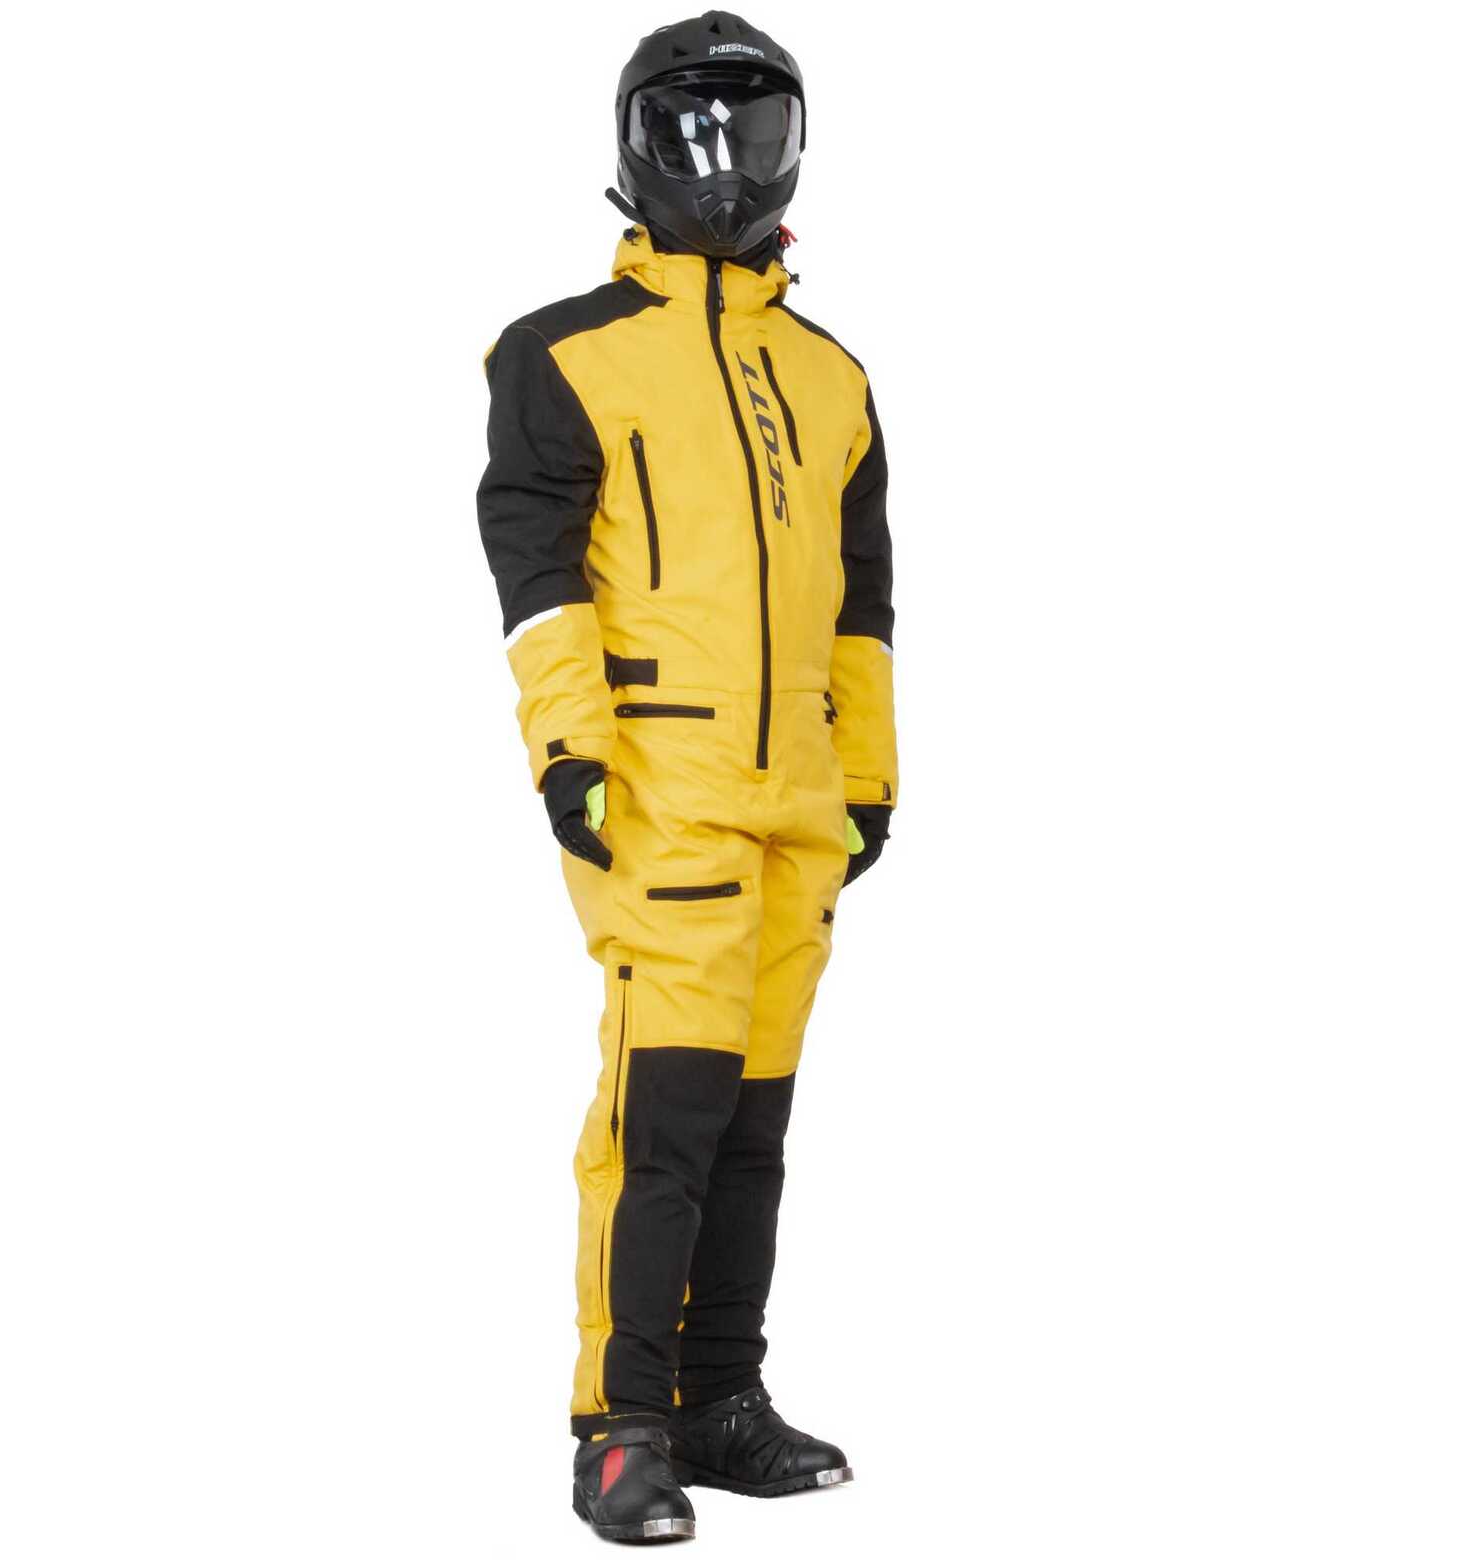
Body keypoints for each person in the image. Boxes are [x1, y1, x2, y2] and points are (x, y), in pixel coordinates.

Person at [476, 11, 897, 1543]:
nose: (728, 161)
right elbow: (537, 578)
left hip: (799, 807)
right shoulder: (565, 354)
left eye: (756, 127)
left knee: (755, 1122)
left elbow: (864, 600)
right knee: (662, 1121)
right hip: (660, 789)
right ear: (635, 148)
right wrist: (568, 749)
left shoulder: (832, 376)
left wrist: (871, 774)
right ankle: (620, 1428)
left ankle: (719, 1397)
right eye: (694, 129)